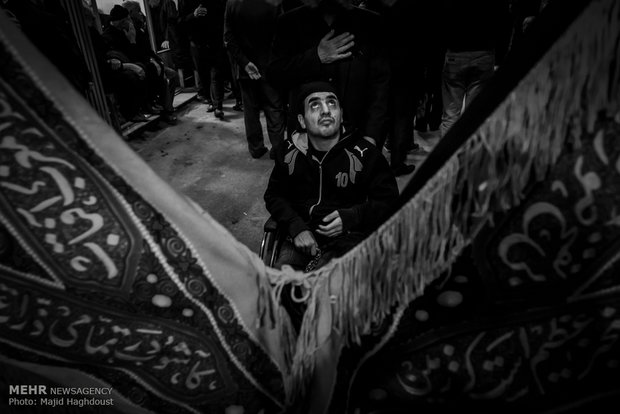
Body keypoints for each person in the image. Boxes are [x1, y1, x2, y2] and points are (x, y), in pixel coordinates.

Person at [264, 81, 398, 272]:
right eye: (315, 105)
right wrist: (296, 226)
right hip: (299, 237)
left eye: (332, 103)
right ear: (302, 121)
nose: (326, 111)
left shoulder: (366, 155)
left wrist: (355, 215)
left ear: (341, 115)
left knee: (331, 286)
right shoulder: (288, 153)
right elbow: (274, 195)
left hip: (349, 238)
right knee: (282, 287)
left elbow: (390, 201)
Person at [268, 0, 390, 149]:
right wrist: (316, 57)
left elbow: (380, 88)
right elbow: (275, 76)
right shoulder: (289, 22)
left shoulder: (371, 23)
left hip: (357, 140)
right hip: (305, 142)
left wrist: (372, 136)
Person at [439, 0, 511, 137]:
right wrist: (501, 55)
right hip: (484, 53)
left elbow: (442, 16)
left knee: (450, 116)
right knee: (473, 115)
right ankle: (467, 155)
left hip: (456, 52)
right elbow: (503, 19)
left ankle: (448, 156)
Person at [224, 0, 286, 159]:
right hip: (270, 67)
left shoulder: (232, 3)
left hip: (246, 69)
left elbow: (228, 38)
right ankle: (278, 149)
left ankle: (256, 148)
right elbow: (283, 36)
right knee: (274, 109)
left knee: (250, 110)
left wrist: (244, 62)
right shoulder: (275, 3)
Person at [123, 0, 180, 124]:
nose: (141, 14)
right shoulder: (129, 30)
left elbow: (148, 50)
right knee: (165, 80)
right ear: (131, 13)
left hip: (151, 63)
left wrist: (157, 61)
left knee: (173, 75)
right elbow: (134, 54)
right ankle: (167, 111)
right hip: (142, 67)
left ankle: (164, 106)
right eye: (139, 11)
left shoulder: (140, 27)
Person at [178, 0, 227, 119]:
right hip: (197, 43)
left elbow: (224, 15)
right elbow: (180, 22)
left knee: (216, 74)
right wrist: (193, 15)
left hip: (215, 41)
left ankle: (218, 105)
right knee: (203, 74)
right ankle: (210, 101)